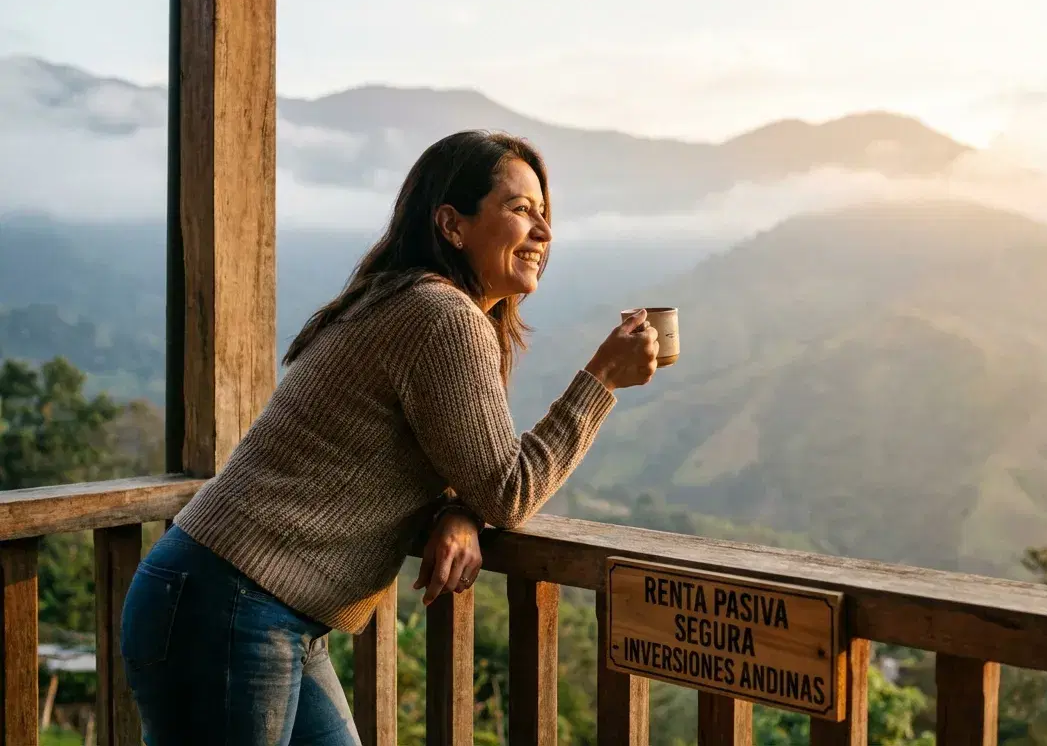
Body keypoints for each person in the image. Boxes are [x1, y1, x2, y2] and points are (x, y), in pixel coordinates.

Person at [119, 130, 658, 744]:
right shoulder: (442, 316)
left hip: (249, 605)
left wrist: (458, 510)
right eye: (519, 209)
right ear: (452, 225)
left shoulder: (408, 301)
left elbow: (456, 463)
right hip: (231, 606)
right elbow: (508, 491)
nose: (544, 232)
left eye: (543, 212)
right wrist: (601, 380)